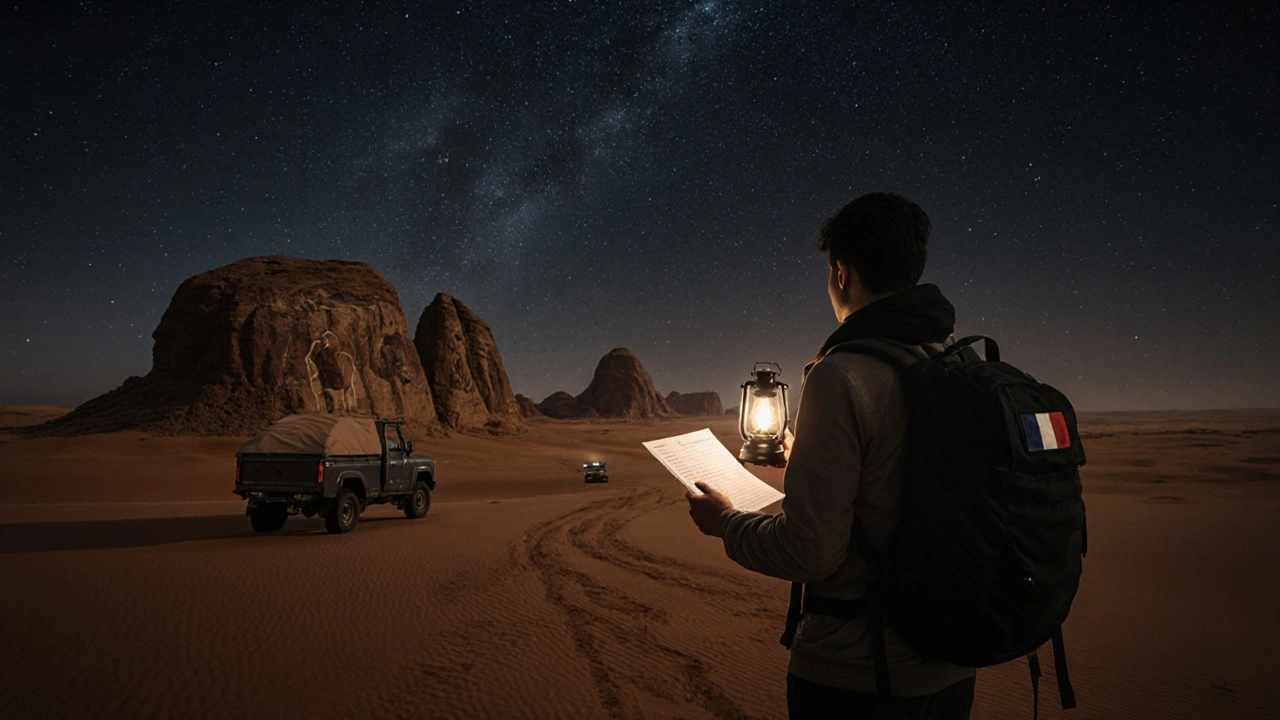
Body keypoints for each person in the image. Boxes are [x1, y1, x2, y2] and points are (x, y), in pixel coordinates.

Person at [686, 192, 977, 719]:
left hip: (858, 679)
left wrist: (725, 523)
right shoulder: (955, 361)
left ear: (841, 272)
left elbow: (810, 552)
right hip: (952, 666)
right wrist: (807, 455)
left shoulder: (841, 375)